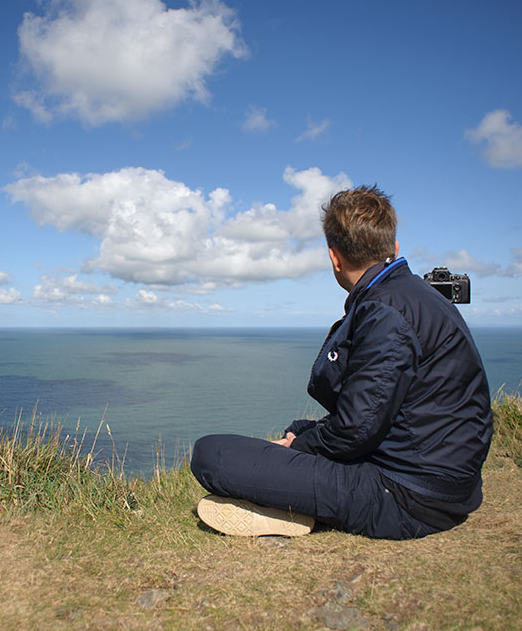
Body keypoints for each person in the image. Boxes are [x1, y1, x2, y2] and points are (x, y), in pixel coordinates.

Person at [190, 185, 493, 540]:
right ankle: (286, 496)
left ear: (334, 258)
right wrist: (305, 436)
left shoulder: (385, 313)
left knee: (211, 454)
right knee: (300, 428)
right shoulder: (416, 295)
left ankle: (288, 511)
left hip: (406, 496)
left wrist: (298, 449)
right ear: (394, 249)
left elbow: (356, 430)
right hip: (446, 482)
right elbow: (377, 411)